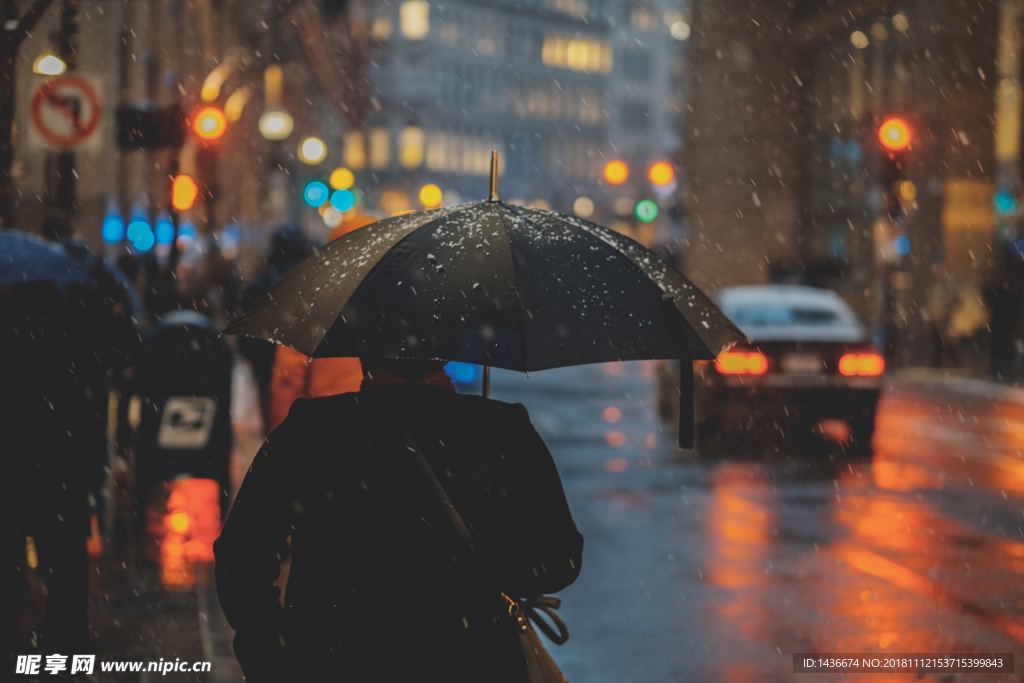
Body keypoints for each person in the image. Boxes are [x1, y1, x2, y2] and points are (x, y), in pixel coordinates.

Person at [215, 357, 583, 681]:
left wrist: (273, 656)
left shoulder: (312, 431)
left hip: (332, 661)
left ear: (362, 349)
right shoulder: (500, 431)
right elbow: (558, 563)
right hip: (473, 661)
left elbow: (240, 557)